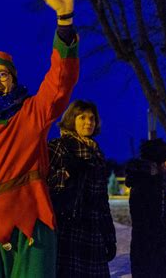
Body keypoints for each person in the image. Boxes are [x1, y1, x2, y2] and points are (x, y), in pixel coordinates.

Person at [0, 0, 79, 278]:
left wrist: (64, 22)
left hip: (29, 226)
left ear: (13, 80)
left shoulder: (30, 112)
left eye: (3, 74)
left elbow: (59, 84)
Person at [47, 100, 116, 277]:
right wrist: (67, 173)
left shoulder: (97, 153)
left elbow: (102, 201)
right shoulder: (58, 147)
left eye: (92, 118)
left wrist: (109, 237)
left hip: (93, 230)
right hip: (67, 228)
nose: (88, 122)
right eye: (82, 117)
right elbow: (41, 183)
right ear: (71, 119)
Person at [125, 138, 166, 278]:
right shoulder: (151, 184)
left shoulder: (146, 181)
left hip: (145, 249)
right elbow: (156, 220)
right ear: (159, 163)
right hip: (154, 251)